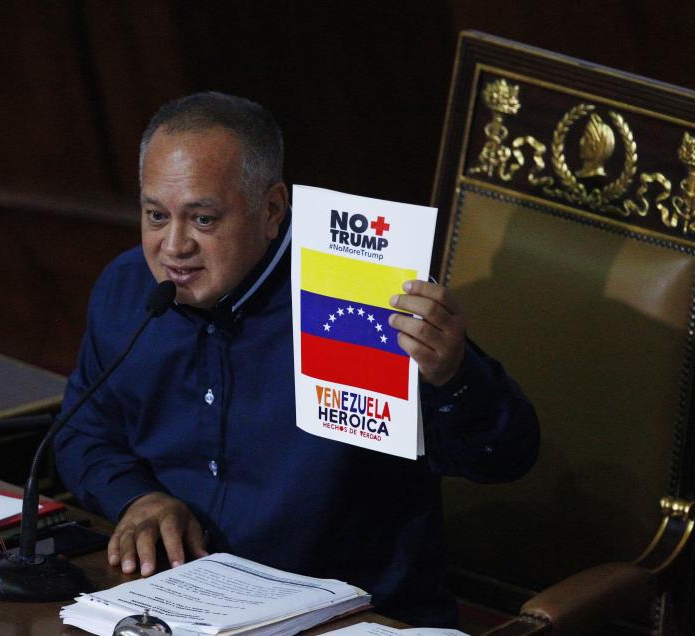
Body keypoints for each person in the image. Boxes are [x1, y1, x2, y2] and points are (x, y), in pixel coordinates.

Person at [53, 92, 539, 627]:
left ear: (271, 211)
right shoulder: (127, 289)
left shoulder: (357, 302)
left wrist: (453, 377)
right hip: (171, 603)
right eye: (155, 216)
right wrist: (137, 498)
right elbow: (84, 433)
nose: (173, 246)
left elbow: (505, 457)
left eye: (203, 219)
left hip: (350, 620)